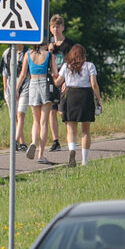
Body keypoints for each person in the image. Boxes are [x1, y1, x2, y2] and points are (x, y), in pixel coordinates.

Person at [53, 44, 102, 166]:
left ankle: (72, 150)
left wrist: (53, 76)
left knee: (70, 129)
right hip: (85, 96)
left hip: (71, 96)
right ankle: (84, 160)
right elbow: (94, 84)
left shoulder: (66, 66)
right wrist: (98, 98)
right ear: (84, 55)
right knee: (85, 130)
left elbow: (58, 82)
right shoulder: (90, 66)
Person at [16, 41, 58, 164]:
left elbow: (23, 74)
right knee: (44, 122)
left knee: (35, 120)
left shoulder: (28, 54)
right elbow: (55, 73)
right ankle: (41, 154)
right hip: (45, 83)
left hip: (33, 84)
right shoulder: (48, 55)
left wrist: (16, 89)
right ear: (44, 43)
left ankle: (33, 142)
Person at [47, 14, 74, 152]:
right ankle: (55, 140)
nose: (55, 29)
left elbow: (72, 63)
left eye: (58, 26)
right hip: (51, 80)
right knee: (52, 110)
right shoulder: (48, 45)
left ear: (62, 27)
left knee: (62, 112)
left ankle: (70, 136)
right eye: (53, 27)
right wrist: (49, 51)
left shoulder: (69, 44)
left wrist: (66, 80)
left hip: (64, 80)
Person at [0, 44, 29, 151]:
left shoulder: (28, 53)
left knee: (21, 114)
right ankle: (22, 142)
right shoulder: (7, 53)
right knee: (14, 116)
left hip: (25, 86)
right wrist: (5, 90)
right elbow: (4, 73)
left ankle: (15, 140)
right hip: (10, 88)